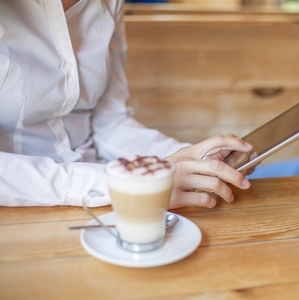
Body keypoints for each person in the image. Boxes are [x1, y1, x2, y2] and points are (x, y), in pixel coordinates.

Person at [0, 0, 255, 209]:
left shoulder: (110, 4)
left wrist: (197, 160)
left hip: (110, 199)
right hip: (25, 210)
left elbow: (109, 124)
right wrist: (130, 184)